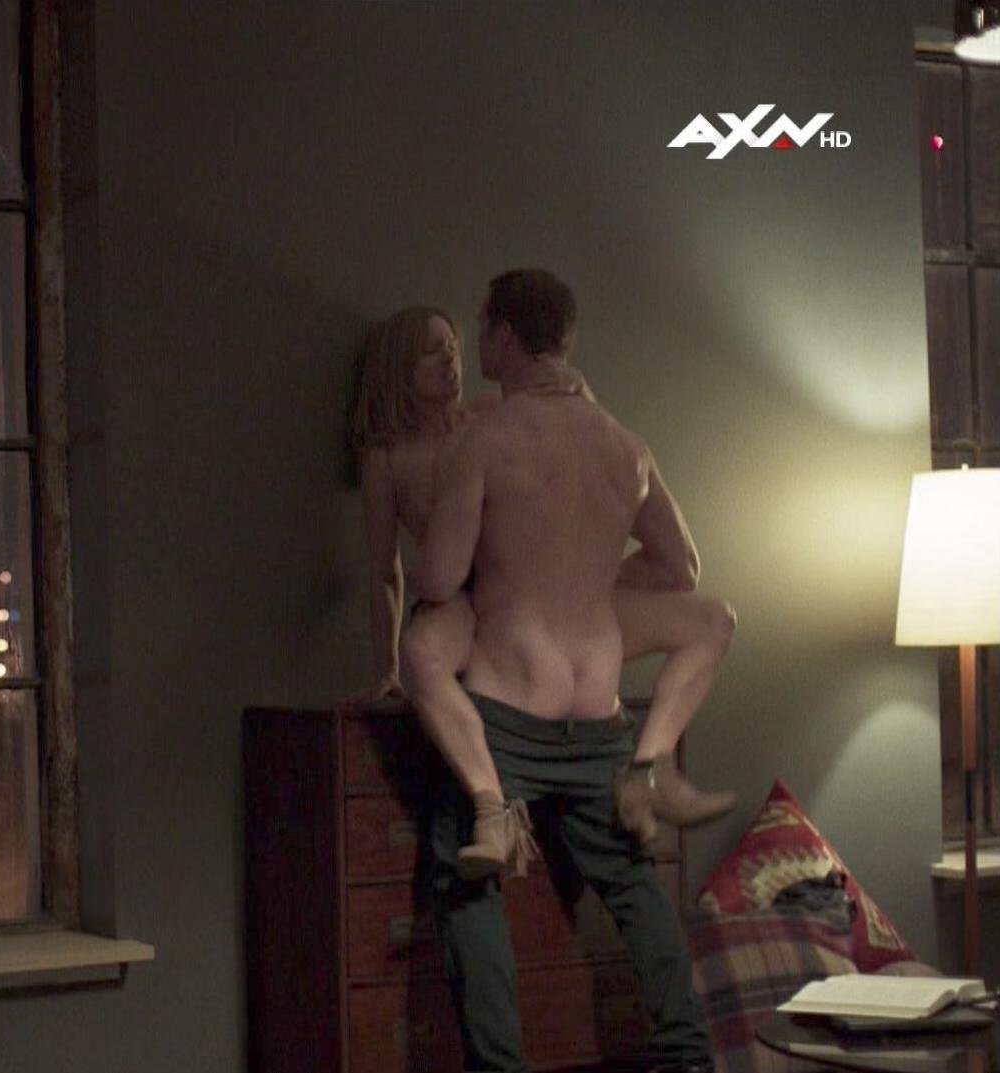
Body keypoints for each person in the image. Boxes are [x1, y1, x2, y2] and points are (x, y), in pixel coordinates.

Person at [409, 269, 716, 1073]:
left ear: (505, 335)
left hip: (509, 709)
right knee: (632, 883)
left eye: (482, 329)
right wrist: (587, 583)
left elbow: (438, 578)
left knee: (469, 882)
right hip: (596, 712)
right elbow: (680, 566)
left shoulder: (485, 440)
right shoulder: (624, 444)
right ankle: (688, 1056)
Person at [355, 305, 736, 878]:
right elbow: (385, 569)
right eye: (432, 352)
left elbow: (586, 437)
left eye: (454, 347)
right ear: (398, 368)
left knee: (709, 617)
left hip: (530, 599)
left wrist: (579, 390)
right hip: (460, 599)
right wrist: (386, 666)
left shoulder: (489, 415)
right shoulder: (386, 459)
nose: (451, 361)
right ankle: (493, 809)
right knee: (423, 651)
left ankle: (649, 772)